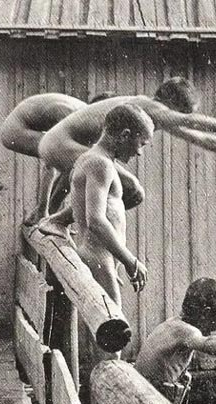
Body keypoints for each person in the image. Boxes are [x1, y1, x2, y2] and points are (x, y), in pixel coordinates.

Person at [35, 76, 216, 236]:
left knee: (88, 172)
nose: (176, 121)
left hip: (56, 143)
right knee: (131, 189)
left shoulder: (147, 108)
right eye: (179, 113)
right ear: (171, 103)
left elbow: (207, 141)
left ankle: (48, 219)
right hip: (60, 143)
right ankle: (57, 221)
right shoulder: (151, 106)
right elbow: (193, 123)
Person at [51, 103, 153, 346]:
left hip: (102, 259)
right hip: (99, 259)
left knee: (108, 335)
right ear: (125, 135)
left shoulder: (91, 159)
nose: (139, 153)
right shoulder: (100, 164)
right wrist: (130, 261)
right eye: (141, 144)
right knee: (113, 342)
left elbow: (79, 210)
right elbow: (96, 220)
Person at [0, 91, 116, 218]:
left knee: (75, 162)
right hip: (14, 130)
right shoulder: (73, 115)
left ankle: (46, 214)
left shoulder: (83, 114)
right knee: (74, 162)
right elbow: (49, 166)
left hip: (21, 123)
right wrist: (44, 210)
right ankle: (43, 215)